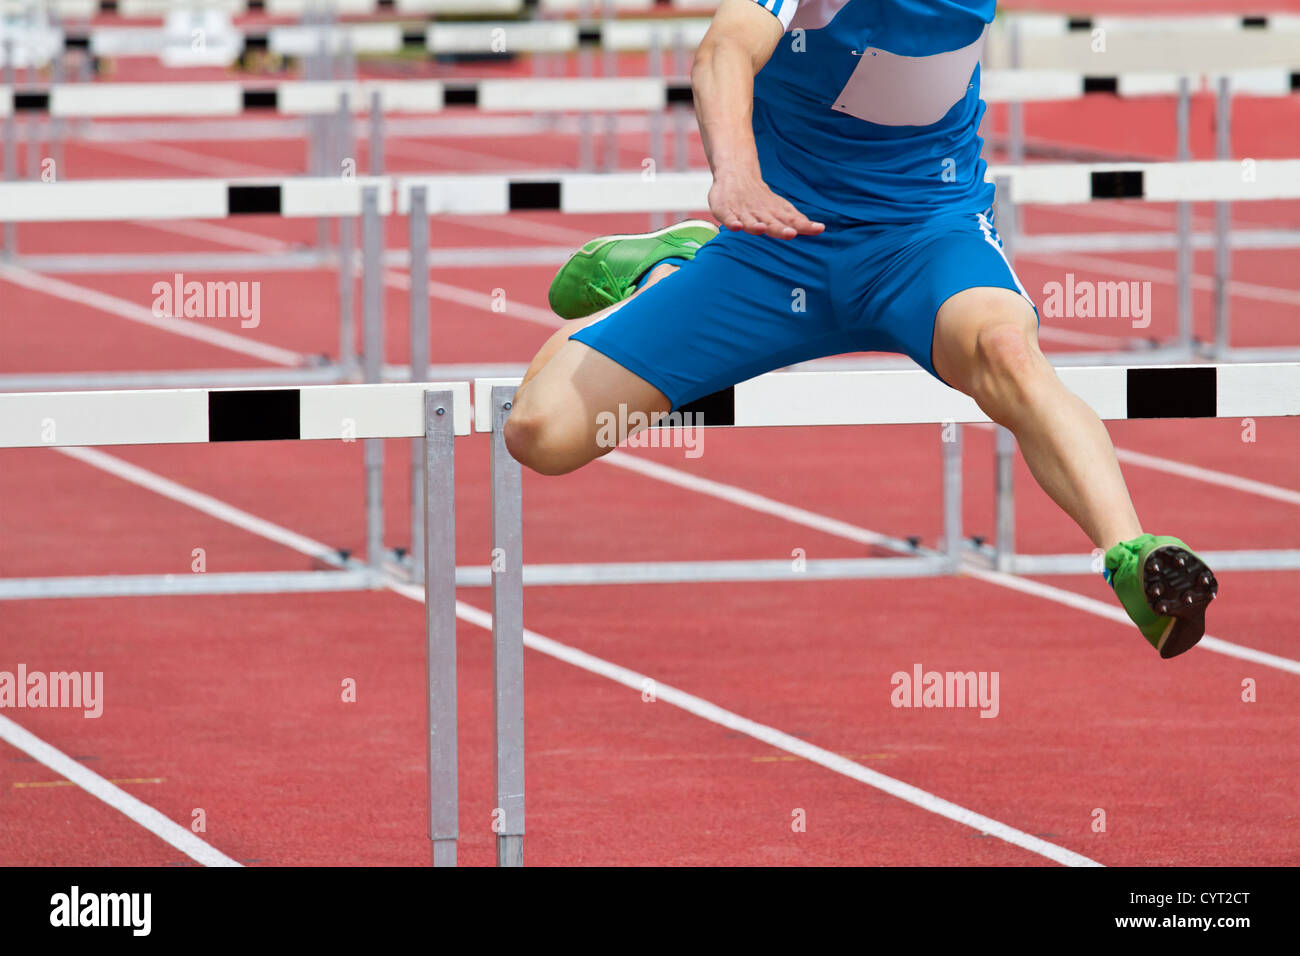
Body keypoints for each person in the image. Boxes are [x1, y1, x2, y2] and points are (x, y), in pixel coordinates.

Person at [504, 0, 1217, 658]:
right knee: (541, 433)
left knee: (1006, 349)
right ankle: (666, 268)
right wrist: (735, 175)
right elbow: (724, 47)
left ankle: (1132, 555)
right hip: (778, 245)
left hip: (926, 240)